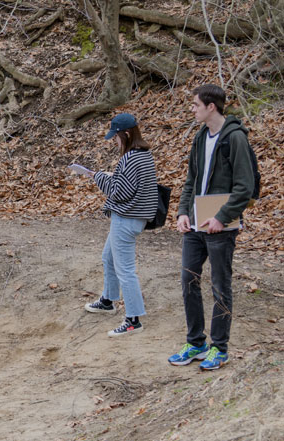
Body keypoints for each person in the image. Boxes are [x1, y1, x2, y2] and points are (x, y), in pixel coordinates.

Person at [169, 85, 255, 370]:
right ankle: (196, 343)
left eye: (195, 105)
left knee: (220, 286)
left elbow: (245, 187)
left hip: (222, 228)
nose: (192, 109)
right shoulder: (199, 137)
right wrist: (183, 212)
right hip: (195, 226)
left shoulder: (235, 139)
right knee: (188, 282)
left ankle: (220, 348)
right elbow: (191, 180)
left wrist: (221, 217)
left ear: (211, 107)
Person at [82, 113, 159, 337]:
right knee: (108, 257)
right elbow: (129, 184)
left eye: (115, 137)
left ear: (126, 134)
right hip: (135, 218)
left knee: (125, 270)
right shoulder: (144, 155)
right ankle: (108, 299)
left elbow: (120, 192)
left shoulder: (130, 158)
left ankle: (133, 319)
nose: (114, 141)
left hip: (126, 218)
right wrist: (112, 176)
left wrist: (98, 177)